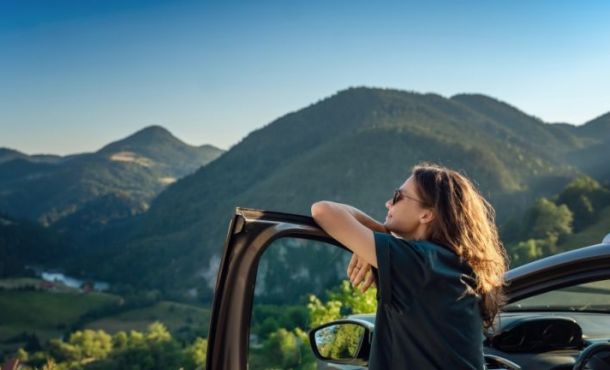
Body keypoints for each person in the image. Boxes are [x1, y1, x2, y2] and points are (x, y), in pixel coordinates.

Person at [311, 163, 508, 370]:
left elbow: (323, 211)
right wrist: (379, 241)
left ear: (426, 214)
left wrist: (380, 234)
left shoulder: (419, 263)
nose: (388, 204)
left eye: (398, 197)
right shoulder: (449, 264)